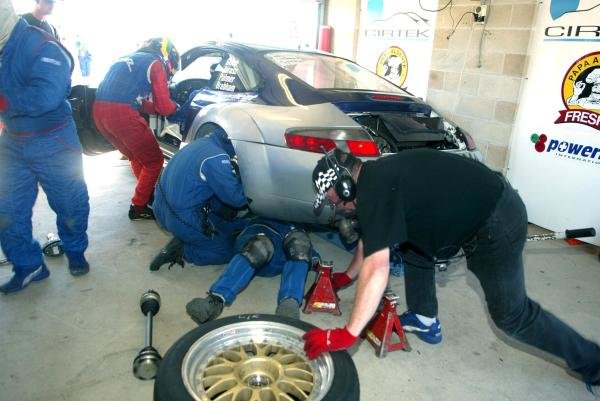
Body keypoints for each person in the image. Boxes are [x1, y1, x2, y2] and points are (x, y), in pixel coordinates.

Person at [303, 148, 600, 395]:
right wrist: (347, 276)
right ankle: (424, 317)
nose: (339, 206)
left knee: (512, 315)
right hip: (487, 205)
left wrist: (348, 333)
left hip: (495, 221)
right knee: (409, 241)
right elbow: (373, 238)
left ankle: (593, 362)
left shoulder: (374, 190)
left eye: (334, 199)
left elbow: (377, 266)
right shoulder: (378, 178)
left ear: (344, 184)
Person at [0, 0, 90, 294]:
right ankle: (29, 265)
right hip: (13, 141)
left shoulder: (43, 46)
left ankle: (75, 250)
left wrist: (4, 101)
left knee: (69, 202)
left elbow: (46, 96)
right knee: (7, 209)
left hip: (54, 139)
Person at [92, 38, 179, 220]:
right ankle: (139, 206)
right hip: (122, 114)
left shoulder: (128, 58)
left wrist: (156, 107)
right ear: (166, 55)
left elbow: (135, 100)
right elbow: (164, 107)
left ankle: (146, 195)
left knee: (136, 156)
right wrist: (177, 107)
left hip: (99, 113)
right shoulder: (155, 64)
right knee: (154, 160)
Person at [149, 128, 248, 270]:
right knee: (226, 251)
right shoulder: (216, 157)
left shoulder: (200, 144)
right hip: (181, 218)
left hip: (160, 207)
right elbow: (236, 199)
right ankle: (183, 250)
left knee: (232, 224)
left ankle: (192, 237)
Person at [186, 218, 314, 322]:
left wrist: (312, 258)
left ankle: (289, 303)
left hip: (284, 251)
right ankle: (216, 300)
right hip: (257, 241)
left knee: (300, 247)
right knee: (259, 246)